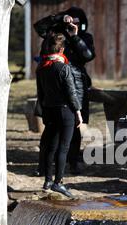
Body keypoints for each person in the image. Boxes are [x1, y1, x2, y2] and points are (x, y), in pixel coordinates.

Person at [34, 6, 95, 175]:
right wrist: (59, 18)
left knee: (74, 126)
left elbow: (88, 55)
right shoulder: (55, 34)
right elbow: (38, 27)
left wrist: (75, 37)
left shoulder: (84, 37)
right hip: (52, 83)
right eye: (70, 21)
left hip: (76, 85)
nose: (72, 25)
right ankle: (43, 166)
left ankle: (73, 162)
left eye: (76, 22)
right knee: (50, 127)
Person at [36, 33, 83, 197]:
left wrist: (43, 111)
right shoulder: (64, 68)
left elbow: (40, 93)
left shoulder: (42, 67)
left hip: (50, 110)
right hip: (65, 111)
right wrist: (78, 111)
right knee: (63, 148)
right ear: (61, 49)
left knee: (52, 146)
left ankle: (48, 180)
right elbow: (71, 93)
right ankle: (58, 182)